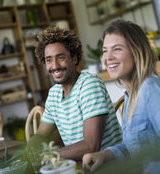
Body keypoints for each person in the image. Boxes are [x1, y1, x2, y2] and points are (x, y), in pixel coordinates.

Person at [29, 26, 122, 161]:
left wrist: (49, 155)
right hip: (80, 165)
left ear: (74, 58)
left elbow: (91, 146)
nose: (54, 66)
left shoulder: (89, 85)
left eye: (60, 57)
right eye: (48, 60)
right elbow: (41, 135)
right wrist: (31, 147)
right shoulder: (54, 93)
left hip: (111, 165)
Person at [83, 19, 160, 173]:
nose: (108, 57)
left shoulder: (149, 88)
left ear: (137, 51)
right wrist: (104, 154)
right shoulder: (129, 95)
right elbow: (132, 146)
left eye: (117, 49)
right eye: (105, 51)